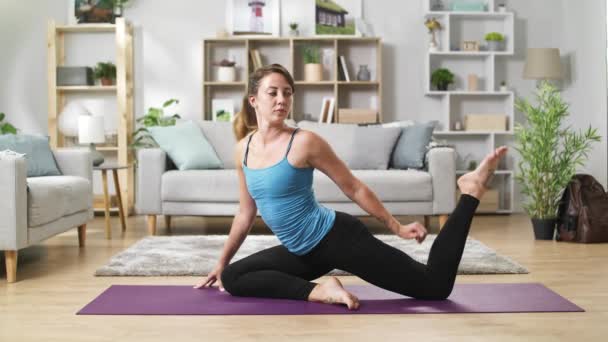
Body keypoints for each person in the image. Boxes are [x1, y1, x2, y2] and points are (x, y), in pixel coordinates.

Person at [194, 64, 508, 310]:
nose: (281, 100)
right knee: (233, 277)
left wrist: (395, 226)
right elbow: (245, 214)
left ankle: (469, 192)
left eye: (287, 93)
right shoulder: (242, 150)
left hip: (336, 239)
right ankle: (321, 290)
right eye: (272, 92)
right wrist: (220, 263)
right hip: (302, 252)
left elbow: (354, 188)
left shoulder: (304, 142)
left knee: (435, 286)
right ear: (253, 101)